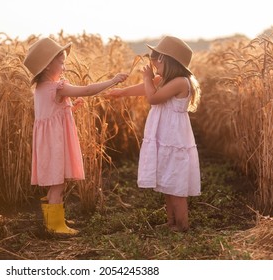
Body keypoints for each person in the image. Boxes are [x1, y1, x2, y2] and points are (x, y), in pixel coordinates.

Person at [23, 37, 128, 235]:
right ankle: (55, 227)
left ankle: (53, 219)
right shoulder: (58, 88)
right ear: (47, 66)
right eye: (61, 63)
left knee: (56, 183)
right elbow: (87, 90)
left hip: (48, 143)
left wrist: (71, 108)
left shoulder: (40, 89)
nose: (64, 67)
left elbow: (52, 115)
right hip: (56, 144)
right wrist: (113, 81)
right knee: (58, 185)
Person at [107, 36, 201, 232]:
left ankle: (182, 224)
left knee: (176, 183)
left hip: (174, 139)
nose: (152, 64)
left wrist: (147, 78)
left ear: (166, 60)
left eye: (155, 59)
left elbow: (153, 97)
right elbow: (144, 89)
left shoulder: (181, 82)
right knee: (167, 181)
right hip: (164, 137)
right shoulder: (166, 79)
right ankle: (171, 222)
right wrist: (122, 92)